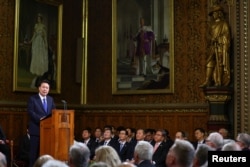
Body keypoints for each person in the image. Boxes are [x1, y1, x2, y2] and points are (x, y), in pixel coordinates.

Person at [199, 5, 231, 87]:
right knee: (209, 62)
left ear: (219, 13)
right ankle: (208, 80)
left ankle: (219, 80)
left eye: (214, 13)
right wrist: (211, 39)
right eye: (213, 13)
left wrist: (220, 39)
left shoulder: (224, 24)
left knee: (219, 62)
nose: (213, 15)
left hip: (220, 46)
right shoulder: (211, 25)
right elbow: (208, 35)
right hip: (212, 46)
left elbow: (227, 35)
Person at [27, 79, 56, 167]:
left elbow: (53, 113)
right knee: (34, 154)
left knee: (45, 154)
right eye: (43, 87)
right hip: (36, 130)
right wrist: (41, 119)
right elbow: (30, 112)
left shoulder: (51, 99)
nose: (45, 89)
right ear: (39, 88)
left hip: (47, 132)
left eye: (47, 88)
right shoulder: (32, 99)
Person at [29, 13, 49, 88]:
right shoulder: (36, 26)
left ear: (41, 19)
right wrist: (31, 41)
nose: (38, 19)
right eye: (37, 18)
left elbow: (45, 36)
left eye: (39, 18)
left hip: (41, 42)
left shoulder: (43, 27)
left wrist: (46, 44)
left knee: (40, 56)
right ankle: (35, 70)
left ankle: (40, 72)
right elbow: (34, 35)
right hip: (36, 42)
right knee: (35, 56)